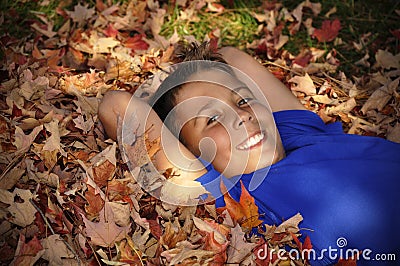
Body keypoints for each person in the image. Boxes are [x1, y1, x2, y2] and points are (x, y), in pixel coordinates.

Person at [99, 42, 400, 265]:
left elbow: (231, 56)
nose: (241, 116)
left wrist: (200, 69)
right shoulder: (232, 196)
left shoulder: (294, 131)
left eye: (242, 100)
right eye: (213, 119)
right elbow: (116, 105)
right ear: (188, 154)